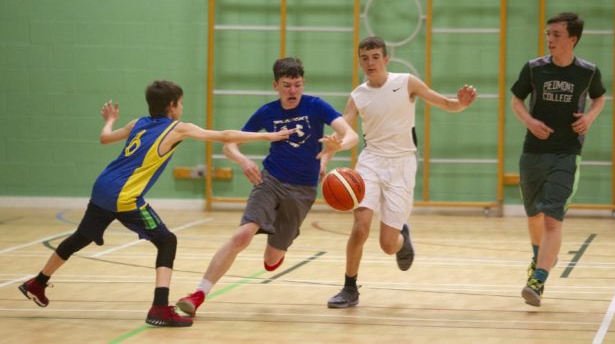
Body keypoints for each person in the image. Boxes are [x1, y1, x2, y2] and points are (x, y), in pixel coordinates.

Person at [18, 80, 295, 327]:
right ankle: (160, 308)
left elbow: (104, 138)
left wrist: (110, 120)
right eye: (181, 103)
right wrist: (267, 136)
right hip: (124, 196)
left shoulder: (137, 123)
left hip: (102, 187)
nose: (182, 107)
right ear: (172, 106)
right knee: (167, 241)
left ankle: (37, 282)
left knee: (81, 236)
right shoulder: (177, 128)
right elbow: (223, 135)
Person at [175, 57, 359, 316]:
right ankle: (198, 294)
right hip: (269, 181)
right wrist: (242, 160)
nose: (293, 91)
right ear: (276, 85)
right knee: (242, 235)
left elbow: (350, 134)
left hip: (303, 191)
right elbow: (230, 144)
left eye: (297, 85)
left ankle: (278, 241)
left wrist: (337, 146)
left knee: (272, 260)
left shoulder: (316, 106)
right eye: (287, 85)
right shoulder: (267, 112)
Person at [327, 36, 477, 309]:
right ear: (359, 61)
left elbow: (444, 102)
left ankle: (402, 238)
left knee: (387, 245)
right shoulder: (358, 95)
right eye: (364, 57)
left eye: (375, 56)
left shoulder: (406, 82)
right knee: (360, 228)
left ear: (386, 59)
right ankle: (350, 288)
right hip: (370, 161)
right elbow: (344, 130)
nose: (369, 62)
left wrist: (461, 103)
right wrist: (331, 147)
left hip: (402, 164)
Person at [511, 12, 606, 307]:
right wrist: (530, 122)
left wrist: (589, 118)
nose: (550, 40)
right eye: (547, 34)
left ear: (572, 39)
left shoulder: (588, 72)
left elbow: (600, 98)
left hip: (567, 153)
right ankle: (537, 257)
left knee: (553, 218)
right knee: (534, 216)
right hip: (533, 153)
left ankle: (538, 280)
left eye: (556, 35)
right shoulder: (534, 69)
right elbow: (516, 101)